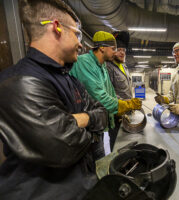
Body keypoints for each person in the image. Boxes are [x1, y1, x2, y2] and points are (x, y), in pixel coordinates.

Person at [0, 0, 108, 199]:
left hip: (81, 189)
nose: (81, 43)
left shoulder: (70, 80)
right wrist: (89, 124)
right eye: (77, 33)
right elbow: (65, 147)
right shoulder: (20, 83)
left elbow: (102, 114)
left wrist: (77, 120)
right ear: (57, 27)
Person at [70, 31, 142, 151]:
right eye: (113, 48)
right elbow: (100, 97)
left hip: (98, 123)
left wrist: (119, 111)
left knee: (100, 158)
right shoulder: (85, 63)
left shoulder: (102, 65)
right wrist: (126, 105)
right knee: (93, 162)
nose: (115, 51)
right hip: (85, 127)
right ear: (102, 48)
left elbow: (110, 92)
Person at [106, 31, 132, 151]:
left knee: (127, 144)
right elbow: (109, 92)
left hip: (127, 113)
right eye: (119, 49)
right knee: (117, 146)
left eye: (124, 50)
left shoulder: (124, 67)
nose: (122, 52)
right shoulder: (108, 67)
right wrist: (124, 104)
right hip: (117, 115)